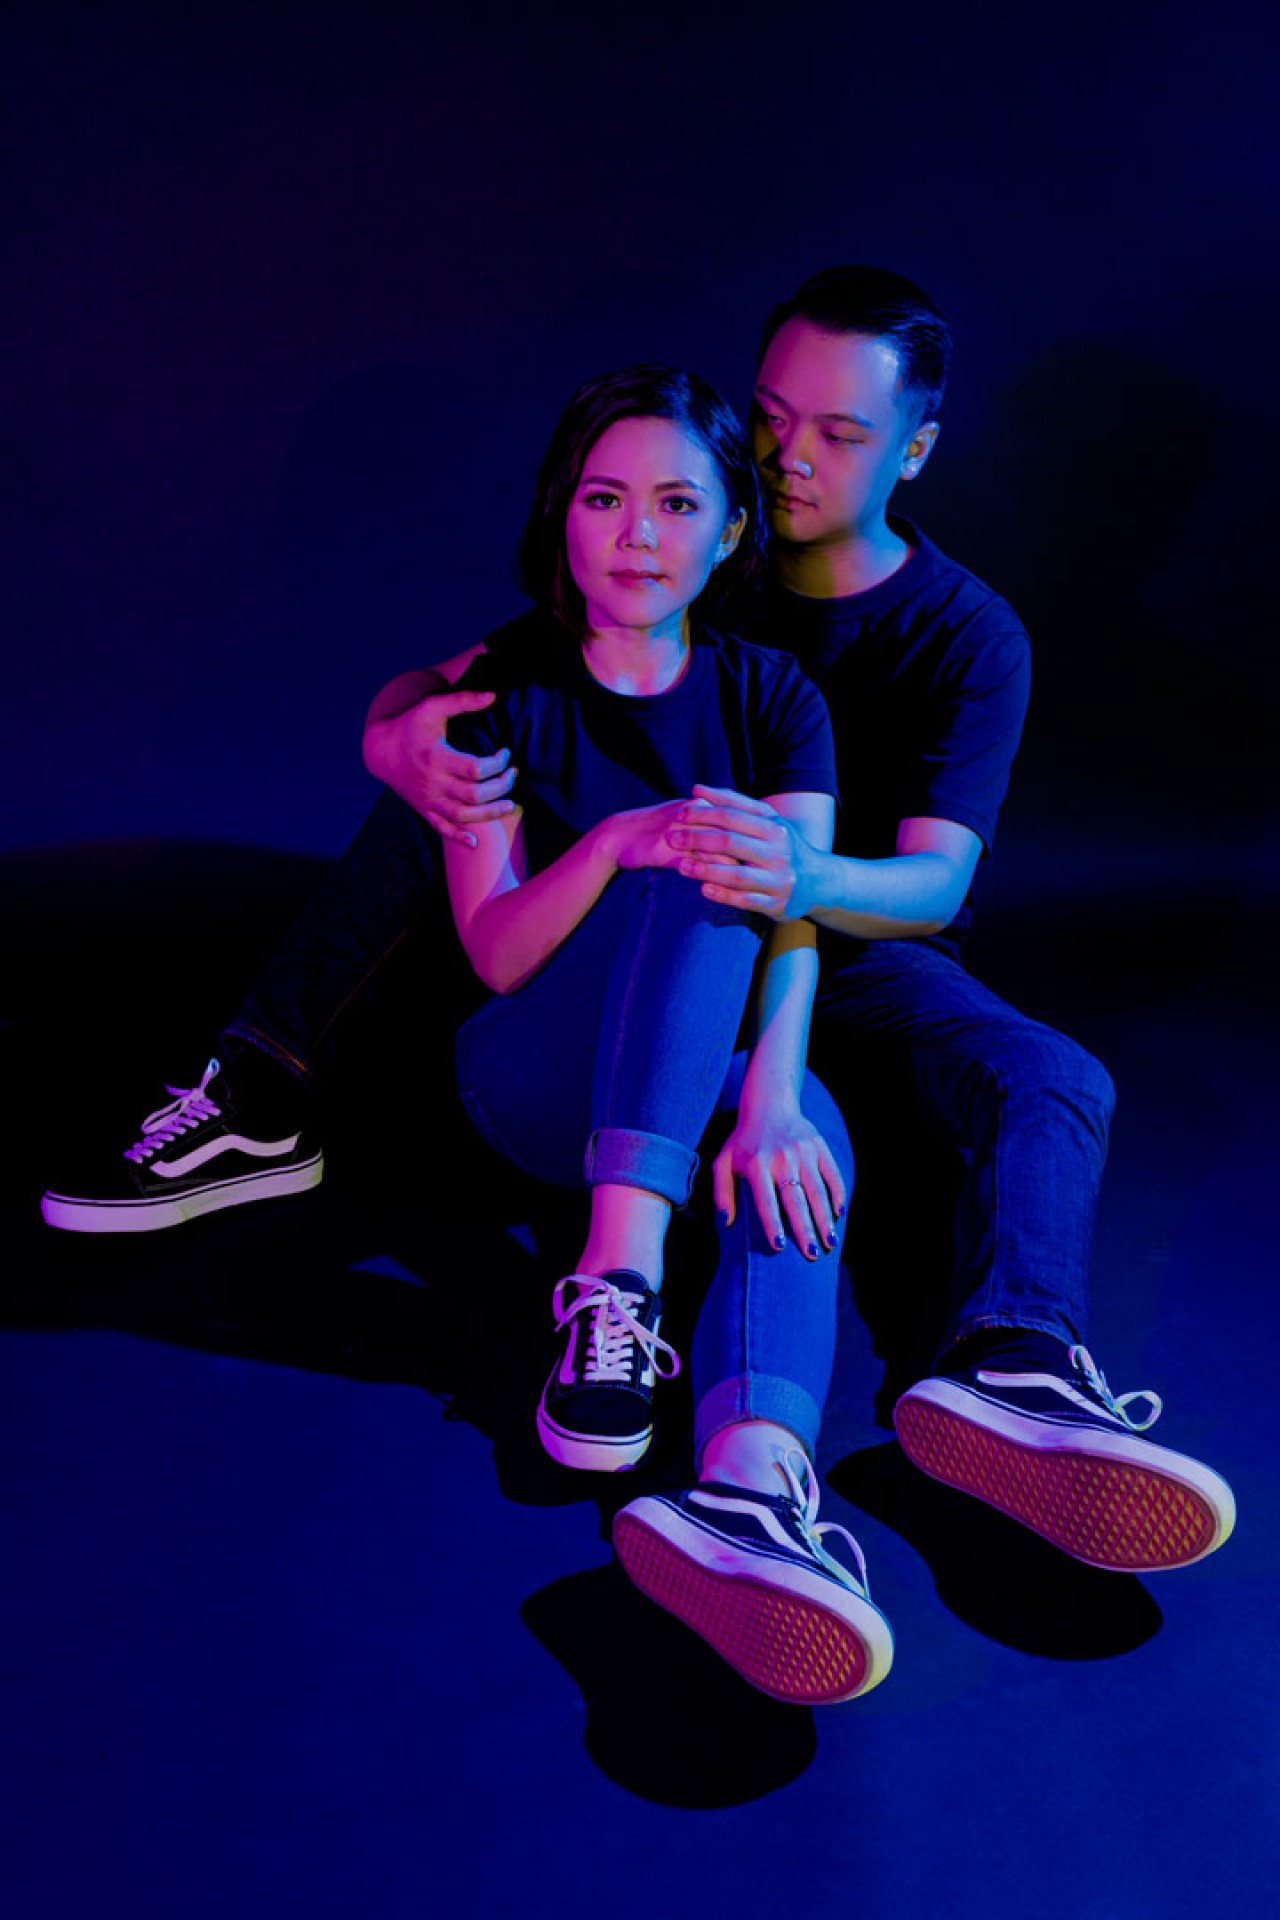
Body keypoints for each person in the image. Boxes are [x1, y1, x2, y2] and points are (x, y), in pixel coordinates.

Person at [41, 268, 1234, 1696]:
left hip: (845, 959)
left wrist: (791, 909)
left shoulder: (959, 634)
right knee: (624, 859)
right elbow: (446, 700)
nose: (790, 456)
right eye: (771, 418)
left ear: (915, 449)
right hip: (623, 966)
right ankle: (274, 1093)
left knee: (1035, 1075)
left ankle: (970, 1386)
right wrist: (394, 741)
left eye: (839, 434)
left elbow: (933, 886)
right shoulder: (669, 550)